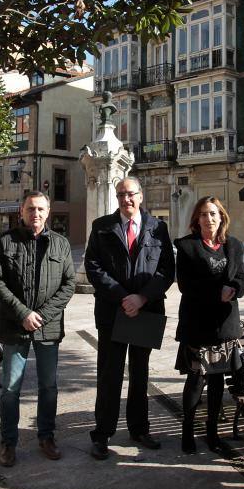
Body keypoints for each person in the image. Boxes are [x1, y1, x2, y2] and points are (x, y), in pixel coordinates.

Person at [84, 176, 175, 459]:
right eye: (121, 194)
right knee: (109, 374)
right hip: (113, 312)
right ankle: (102, 434)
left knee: (140, 374)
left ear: (141, 195)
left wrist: (142, 298)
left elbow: (166, 270)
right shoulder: (101, 227)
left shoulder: (158, 228)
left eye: (131, 194)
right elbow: (93, 266)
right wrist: (123, 297)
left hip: (145, 312)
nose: (126, 199)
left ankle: (139, 429)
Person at [0, 191, 76, 467]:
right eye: (30, 209)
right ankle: (8, 442)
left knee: (48, 386)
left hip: (48, 328)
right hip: (15, 326)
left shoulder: (61, 244)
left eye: (40, 209)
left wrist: (42, 315)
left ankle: (46, 436)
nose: (35, 214)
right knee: (11, 388)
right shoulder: (6, 242)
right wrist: (23, 313)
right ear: (21, 211)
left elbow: (68, 285)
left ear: (48, 212)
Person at [174, 196, 244, 454]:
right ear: (197, 219)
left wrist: (235, 289)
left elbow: (241, 279)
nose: (209, 219)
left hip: (224, 325)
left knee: (217, 382)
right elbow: (185, 285)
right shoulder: (187, 247)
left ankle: (213, 432)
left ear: (222, 217)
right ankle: (187, 430)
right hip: (198, 324)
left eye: (214, 213)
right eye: (204, 214)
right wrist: (217, 292)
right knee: (196, 380)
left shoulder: (233, 246)